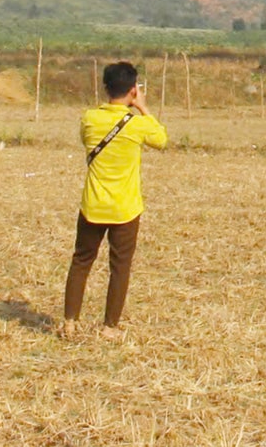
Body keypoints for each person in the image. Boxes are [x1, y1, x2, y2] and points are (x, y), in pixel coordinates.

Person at [61, 62, 167, 339]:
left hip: (93, 205)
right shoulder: (138, 125)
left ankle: (69, 322)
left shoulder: (89, 119)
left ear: (105, 88)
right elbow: (161, 139)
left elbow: (86, 140)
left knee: (81, 261)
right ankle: (109, 327)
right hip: (125, 208)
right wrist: (143, 107)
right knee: (120, 267)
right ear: (133, 90)